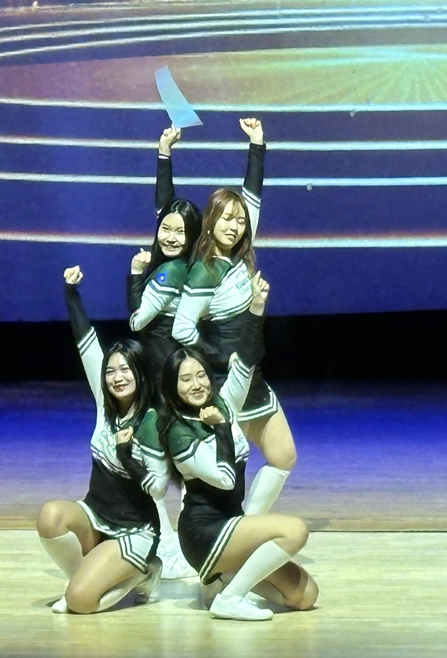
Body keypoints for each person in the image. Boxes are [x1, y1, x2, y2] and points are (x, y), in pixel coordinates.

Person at [161, 275, 319, 621]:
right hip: (204, 534)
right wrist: (220, 428)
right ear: (173, 388)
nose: (197, 384)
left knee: (304, 596)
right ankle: (230, 597)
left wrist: (256, 311)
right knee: (295, 530)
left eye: (201, 375)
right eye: (185, 379)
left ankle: (222, 581)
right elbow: (225, 479)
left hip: (231, 527)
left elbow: (245, 364)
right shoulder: (179, 434)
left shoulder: (224, 404)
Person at [172, 117, 297, 518]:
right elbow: (181, 328)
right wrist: (220, 361)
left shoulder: (239, 258)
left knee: (283, 456)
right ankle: (201, 535)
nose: (236, 226)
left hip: (250, 378)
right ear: (211, 220)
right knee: (216, 473)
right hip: (225, 385)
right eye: (227, 218)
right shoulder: (204, 270)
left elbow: (252, 198)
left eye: (240, 221)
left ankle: (247, 527)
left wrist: (257, 144)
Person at [35, 266, 169, 614]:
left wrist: (126, 453)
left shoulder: (154, 422)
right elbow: (85, 340)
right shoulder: (104, 403)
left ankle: (145, 570)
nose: (116, 377)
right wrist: (71, 292)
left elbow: (157, 490)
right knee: (50, 516)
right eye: (110, 371)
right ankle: (85, 580)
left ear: (140, 373)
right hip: (95, 515)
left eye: (125, 370)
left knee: (79, 603)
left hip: (134, 531)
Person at [126, 125, 204, 580]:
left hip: (167, 372)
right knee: (160, 462)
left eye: (181, 231)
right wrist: (163, 152)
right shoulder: (171, 256)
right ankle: (170, 546)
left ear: (193, 237)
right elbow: (165, 205)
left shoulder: (172, 270)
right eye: (166, 229)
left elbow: (137, 320)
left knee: (170, 463)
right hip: (159, 370)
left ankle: (184, 545)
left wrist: (135, 274)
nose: (171, 235)